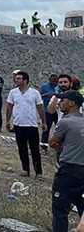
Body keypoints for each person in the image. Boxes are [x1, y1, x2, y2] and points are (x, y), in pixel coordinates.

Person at [48, 90, 84, 232]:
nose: (59, 103)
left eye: (63, 100)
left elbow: (52, 142)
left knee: (60, 210)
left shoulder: (66, 122)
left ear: (72, 103)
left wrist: (59, 148)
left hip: (68, 171)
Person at [6, 71, 47, 177]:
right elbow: (9, 107)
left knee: (35, 150)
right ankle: (25, 169)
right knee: (22, 149)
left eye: (19, 78)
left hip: (31, 125)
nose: (16, 80)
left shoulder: (34, 93)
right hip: (18, 125)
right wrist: (7, 121)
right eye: (16, 78)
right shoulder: (13, 92)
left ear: (25, 80)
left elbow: (40, 108)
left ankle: (38, 172)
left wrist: (44, 122)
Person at [41, 74, 60, 146]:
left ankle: (59, 142)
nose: (54, 83)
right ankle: (43, 143)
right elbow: (38, 96)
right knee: (46, 127)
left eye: (56, 82)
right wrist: (46, 95)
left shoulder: (59, 87)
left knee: (59, 128)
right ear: (49, 80)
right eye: (52, 82)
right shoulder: (44, 86)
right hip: (47, 110)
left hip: (58, 111)